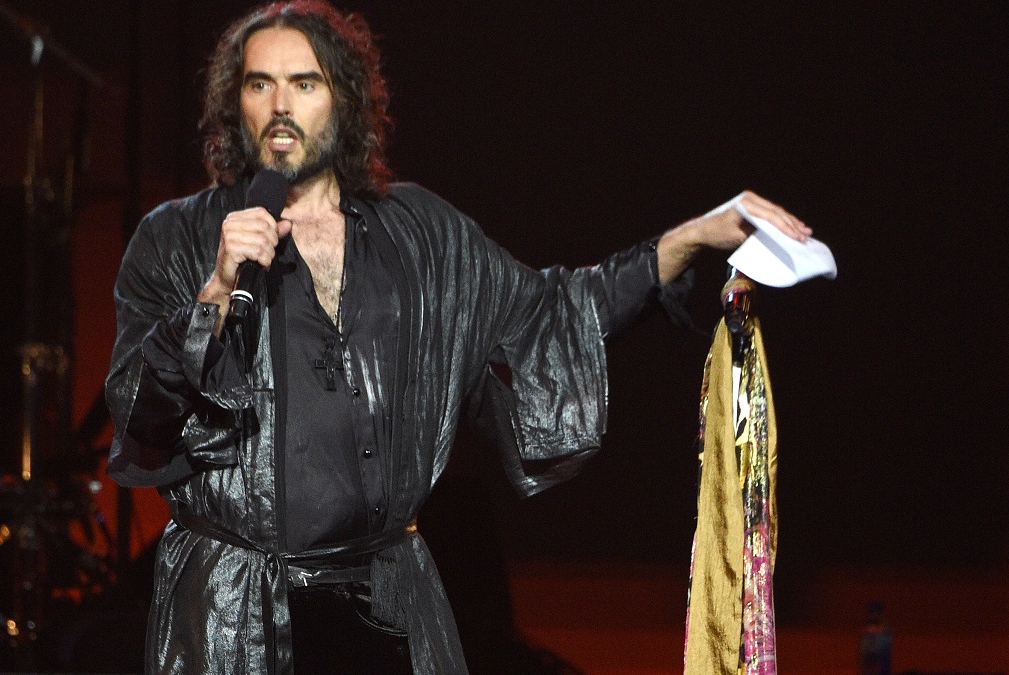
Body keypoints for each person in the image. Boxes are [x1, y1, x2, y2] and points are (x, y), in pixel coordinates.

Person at [104, 2, 812, 673]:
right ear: (237, 103)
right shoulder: (176, 238)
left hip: (385, 605)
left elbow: (551, 310)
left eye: (304, 83)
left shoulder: (421, 235)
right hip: (237, 620)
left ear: (342, 101)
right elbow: (141, 413)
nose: (281, 105)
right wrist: (218, 288)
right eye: (260, 84)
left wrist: (689, 239)